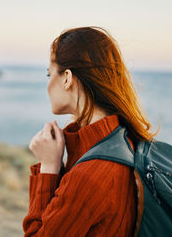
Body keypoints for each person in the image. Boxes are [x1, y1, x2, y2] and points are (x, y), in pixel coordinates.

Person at [22, 26, 159, 236]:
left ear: (67, 78)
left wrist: (48, 167)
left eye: (49, 74)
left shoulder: (90, 175)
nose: (48, 84)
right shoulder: (123, 140)